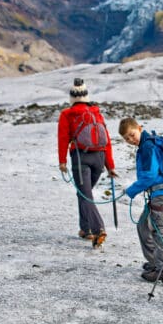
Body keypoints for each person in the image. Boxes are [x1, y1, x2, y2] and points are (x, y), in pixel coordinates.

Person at [58, 78, 117, 248]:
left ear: (72, 98)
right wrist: (110, 166)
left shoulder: (67, 114)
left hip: (80, 158)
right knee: (84, 194)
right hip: (99, 159)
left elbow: (63, 139)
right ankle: (85, 229)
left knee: (86, 196)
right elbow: (106, 141)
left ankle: (98, 229)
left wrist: (62, 161)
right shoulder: (96, 112)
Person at [118, 117, 163, 284]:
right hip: (156, 192)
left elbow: (150, 175)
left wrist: (131, 190)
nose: (130, 140)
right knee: (143, 225)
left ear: (139, 128)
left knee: (159, 230)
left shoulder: (148, 146)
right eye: (127, 138)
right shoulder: (144, 145)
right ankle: (154, 262)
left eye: (132, 134)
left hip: (161, 191)